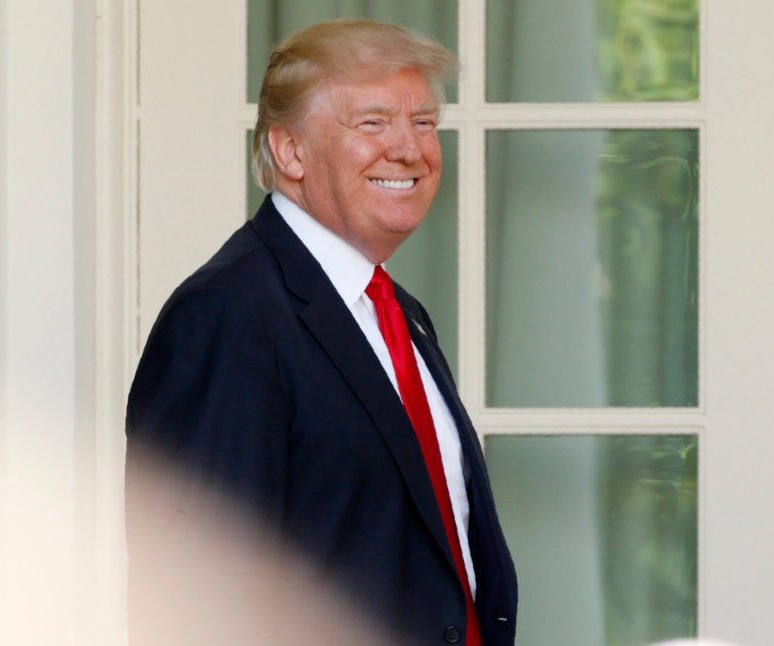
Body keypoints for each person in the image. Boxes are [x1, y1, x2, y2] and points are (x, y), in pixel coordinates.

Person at [125, 19, 517, 646]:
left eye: (423, 122)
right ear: (290, 152)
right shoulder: (227, 315)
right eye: (372, 122)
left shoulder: (397, 311)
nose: (410, 149)